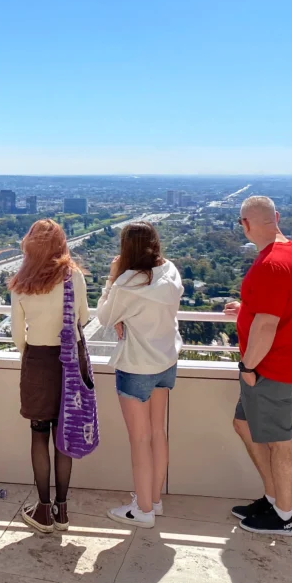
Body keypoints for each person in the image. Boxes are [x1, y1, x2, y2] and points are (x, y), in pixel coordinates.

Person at [223, 195, 292, 537]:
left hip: (271, 368)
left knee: (279, 441)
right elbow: (276, 307)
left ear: (246, 224)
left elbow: (266, 326)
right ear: (276, 217)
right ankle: (274, 499)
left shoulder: (271, 264)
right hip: (288, 362)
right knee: (243, 424)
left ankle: (285, 517)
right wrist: (246, 309)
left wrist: (248, 366)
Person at [97, 223, 183, 529]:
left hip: (136, 366)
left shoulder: (127, 284)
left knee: (139, 439)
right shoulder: (170, 271)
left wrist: (112, 278)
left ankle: (142, 510)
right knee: (158, 433)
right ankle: (154, 499)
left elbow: (104, 316)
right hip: (166, 361)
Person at [8, 219, 89, 533]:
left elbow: (18, 334)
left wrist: (30, 353)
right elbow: (83, 318)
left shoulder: (21, 281)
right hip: (69, 361)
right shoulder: (74, 276)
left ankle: (43, 510)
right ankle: (62, 510)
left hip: (38, 360)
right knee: (64, 436)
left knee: (39, 433)